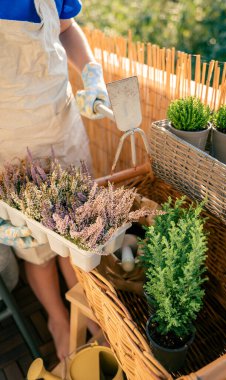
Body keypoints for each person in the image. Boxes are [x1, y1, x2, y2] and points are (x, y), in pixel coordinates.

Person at [0, 0, 110, 361]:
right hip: (9, 144)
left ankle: (90, 315)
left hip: (61, 126)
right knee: (37, 247)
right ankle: (58, 321)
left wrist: (91, 69)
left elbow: (65, 28)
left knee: (78, 234)